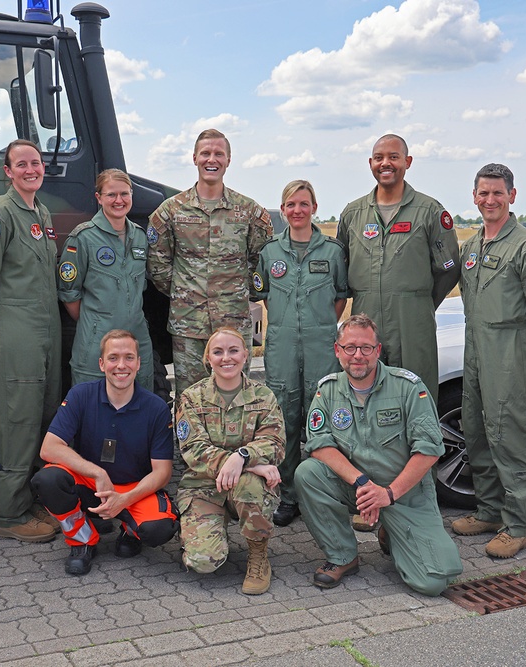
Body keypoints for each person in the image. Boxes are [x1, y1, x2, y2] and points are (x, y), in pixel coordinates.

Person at [294, 314, 463, 596]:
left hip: (404, 493)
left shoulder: (408, 388)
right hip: (357, 488)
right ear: (338, 351)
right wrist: (362, 483)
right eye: (349, 347)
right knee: (308, 473)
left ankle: (392, 532)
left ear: (378, 351)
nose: (357, 355)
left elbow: (429, 450)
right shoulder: (327, 391)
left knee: (433, 582)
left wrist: (388, 495)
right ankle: (343, 556)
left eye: (366, 348)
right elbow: (320, 444)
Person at [451, 164, 526, 558]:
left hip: (512, 350)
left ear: (512, 196)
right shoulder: (471, 246)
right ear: (474, 196)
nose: (489, 200)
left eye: (497, 193)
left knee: (512, 435)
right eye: (483, 193)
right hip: (477, 348)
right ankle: (490, 510)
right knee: (478, 428)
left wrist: (524, 347)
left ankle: (518, 524)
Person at [0, 139, 61, 543]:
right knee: (16, 421)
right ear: (8, 171)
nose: (30, 169)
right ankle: (8, 513)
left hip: (44, 332)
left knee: (43, 416)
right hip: (15, 331)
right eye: (21, 164)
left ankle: (32, 497)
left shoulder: (41, 211)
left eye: (35, 163)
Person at [30, 330, 178, 576]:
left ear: (139, 363)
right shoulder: (80, 395)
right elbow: (49, 448)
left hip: (134, 488)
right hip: (92, 484)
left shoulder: (156, 408)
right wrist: (96, 472)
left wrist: (125, 499)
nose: (121, 365)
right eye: (113, 358)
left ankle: (130, 533)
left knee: (159, 529)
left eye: (129, 357)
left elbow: (162, 473)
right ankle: (82, 540)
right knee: (47, 479)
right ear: (101, 364)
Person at [147, 128, 272, 402]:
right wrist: (186, 293)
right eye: (205, 153)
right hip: (188, 326)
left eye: (218, 153)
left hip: (233, 325)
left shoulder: (249, 212)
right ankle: (189, 447)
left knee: (236, 394)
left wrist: (233, 295)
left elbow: (258, 263)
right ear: (194, 158)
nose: (211, 159)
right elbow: (158, 265)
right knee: (190, 398)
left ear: (228, 160)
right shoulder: (171, 212)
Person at [252, 180, 348, 527]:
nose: (297, 211)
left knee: (322, 422)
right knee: (286, 421)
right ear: (283, 208)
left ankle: (324, 493)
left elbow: (340, 295)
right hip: (282, 348)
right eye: (290, 204)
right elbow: (263, 294)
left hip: (321, 347)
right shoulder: (270, 252)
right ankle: (289, 495)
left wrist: (321, 327)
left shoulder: (332, 251)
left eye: (304, 204)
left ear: (315, 207)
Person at [336, 134, 460, 402]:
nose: (386, 163)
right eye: (379, 158)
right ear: (370, 163)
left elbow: (449, 268)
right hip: (365, 319)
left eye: (394, 157)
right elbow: (340, 267)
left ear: (408, 162)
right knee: (363, 396)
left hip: (413, 323)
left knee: (416, 396)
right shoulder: (353, 214)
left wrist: (421, 300)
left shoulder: (429, 211)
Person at [176, 328, 285, 595]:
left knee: (249, 483)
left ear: (246, 355)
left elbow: (276, 444)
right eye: (218, 351)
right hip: (204, 487)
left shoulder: (263, 396)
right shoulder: (192, 397)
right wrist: (249, 462)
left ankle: (258, 555)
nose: (227, 358)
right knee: (204, 561)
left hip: (247, 487)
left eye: (234, 350)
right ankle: (203, 532)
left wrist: (242, 458)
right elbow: (193, 448)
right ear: (208, 359)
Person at [58, 169, 152, 390]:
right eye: (111, 195)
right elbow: (70, 293)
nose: (118, 200)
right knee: (92, 405)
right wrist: (97, 322)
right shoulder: (83, 237)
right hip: (96, 342)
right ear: (98, 198)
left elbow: (140, 287)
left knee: (140, 402)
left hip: (137, 339)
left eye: (124, 194)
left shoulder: (139, 236)